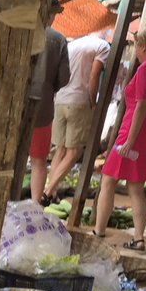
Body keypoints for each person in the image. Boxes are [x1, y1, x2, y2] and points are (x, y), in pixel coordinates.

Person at [94, 24, 146, 252]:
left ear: (143, 45)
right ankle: (139, 239)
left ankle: (99, 231)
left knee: (108, 179)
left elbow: (142, 105)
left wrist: (130, 140)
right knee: (136, 187)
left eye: (136, 45)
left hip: (133, 132)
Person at [43, 29, 111, 203]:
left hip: (60, 100)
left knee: (60, 149)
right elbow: (94, 76)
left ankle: (50, 191)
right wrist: (93, 102)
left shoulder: (72, 44)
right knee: (74, 152)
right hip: (78, 101)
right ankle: (48, 191)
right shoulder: (102, 47)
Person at [28, 0, 70, 203]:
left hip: (12, 108)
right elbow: (64, 79)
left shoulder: (19, 30)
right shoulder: (58, 40)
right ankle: (35, 205)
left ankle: (5, 201)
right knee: (38, 161)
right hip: (42, 109)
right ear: (51, 14)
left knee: (7, 158)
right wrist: (47, 87)